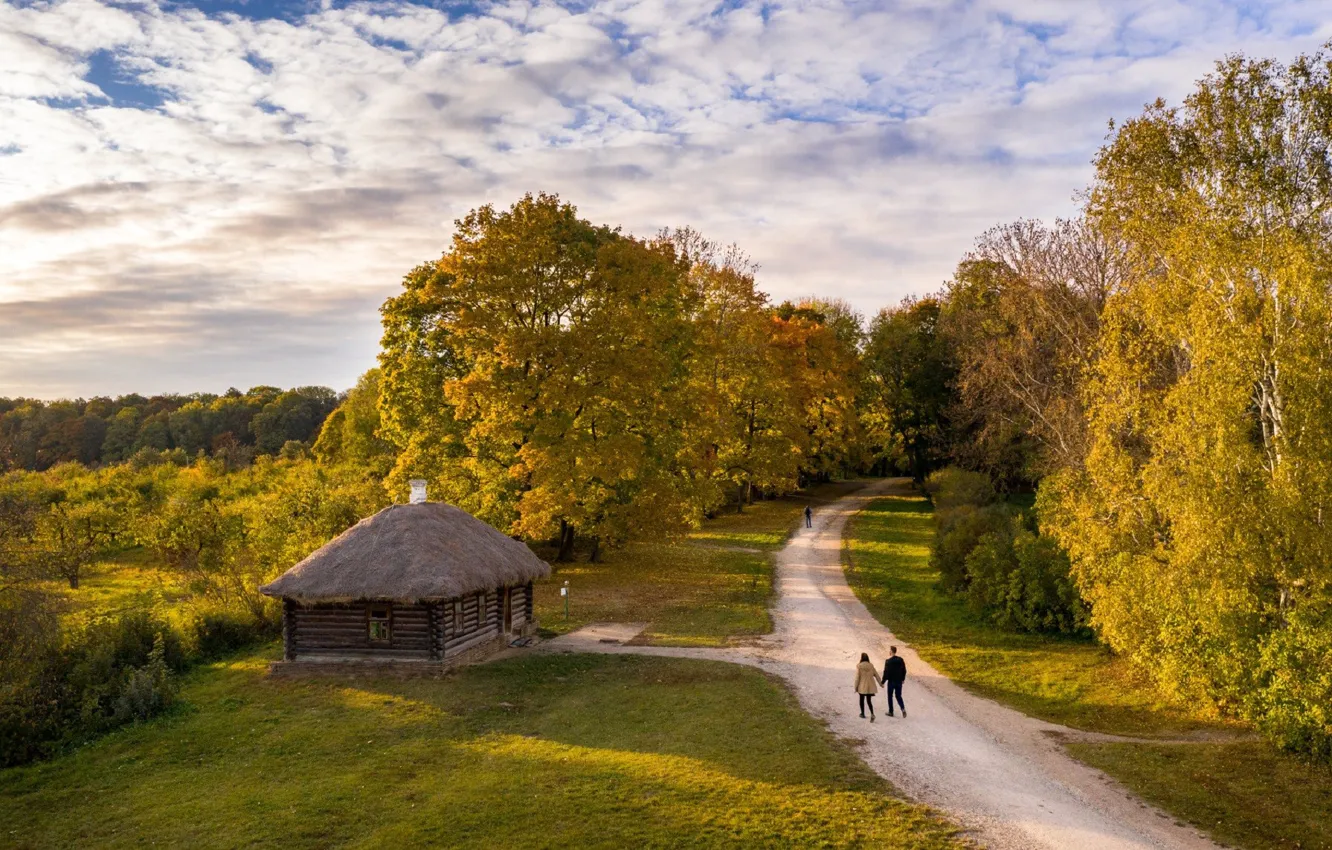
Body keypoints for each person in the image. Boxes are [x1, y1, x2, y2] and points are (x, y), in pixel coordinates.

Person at [854, 652, 881, 721]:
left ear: (861, 658)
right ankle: (872, 713)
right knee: (869, 701)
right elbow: (876, 675)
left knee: (861, 700)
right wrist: (881, 683)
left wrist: (855, 687)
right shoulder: (871, 666)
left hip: (862, 686)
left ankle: (862, 713)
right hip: (870, 686)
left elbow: (857, 678)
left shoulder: (859, 666)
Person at [882, 646, 907, 717]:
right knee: (898, 696)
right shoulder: (901, 660)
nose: (889, 652)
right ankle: (903, 708)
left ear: (891, 651)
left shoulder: (888, 661)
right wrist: (903, 679)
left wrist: (883, 682)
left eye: (889, 650)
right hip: (899, 681)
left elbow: (886, 673)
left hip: (891, 682)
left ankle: (891, 711)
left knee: (890, 696)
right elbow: (904, 670)